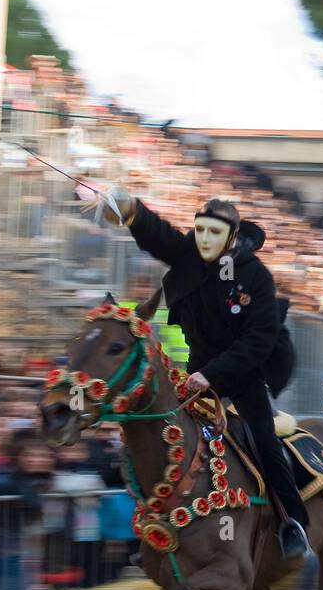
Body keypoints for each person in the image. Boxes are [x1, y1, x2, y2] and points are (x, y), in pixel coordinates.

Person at [101, 187, 311, 562]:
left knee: (263, 439)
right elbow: (158, 235)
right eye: (200, 230)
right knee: (164, 433)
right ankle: (160, 525)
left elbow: (258, 341)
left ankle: (293, 523)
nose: (204, 239)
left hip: (243, 373)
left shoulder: (256, 278)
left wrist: (211, 376)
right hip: (198, 368)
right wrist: (131, 209)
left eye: (214, 233)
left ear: (232, 237)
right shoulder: (188, 255)